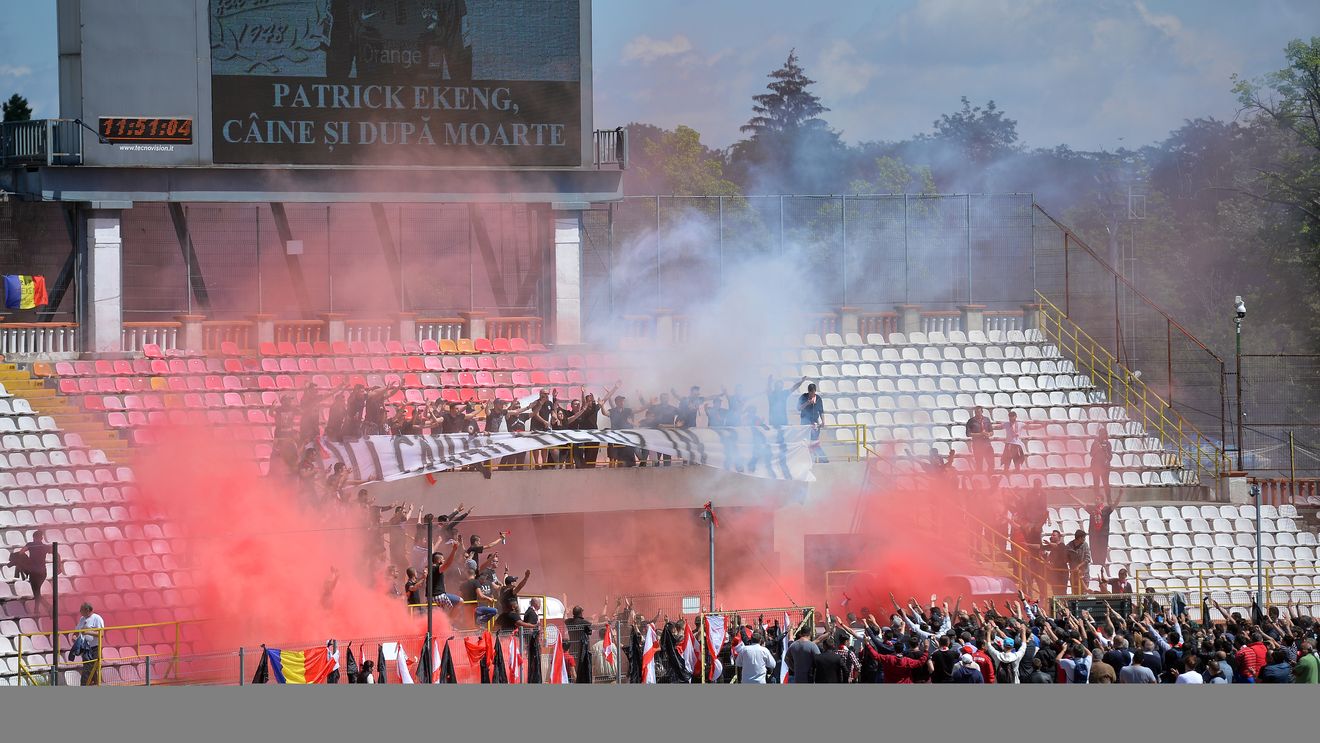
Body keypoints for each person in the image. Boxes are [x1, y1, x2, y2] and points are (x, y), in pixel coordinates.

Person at [7, 529, 51, 606]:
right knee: (37, 592)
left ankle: (49, 607)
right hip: (43, 572)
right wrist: (59, 566)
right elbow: (56, 553)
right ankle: (37, 609)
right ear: (42, 538)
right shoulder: (45, 547)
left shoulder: (30, 545)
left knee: (37, 593)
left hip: (34, 572)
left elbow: (21, 553)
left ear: (33, 538)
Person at [72, 601, 105, 686]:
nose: (80, 612)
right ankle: (96, 684)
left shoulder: (97, 618)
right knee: (91, 668)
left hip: (94, 648)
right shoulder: (82, 619)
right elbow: (77, 630)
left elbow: (101, 634)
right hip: (85, 648)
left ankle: (83, 685)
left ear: (87, 610)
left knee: (88, 668)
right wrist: (74, 636)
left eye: (81, 610)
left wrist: (88, 632)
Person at [798, 383, 828, 464]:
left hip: (815, 423)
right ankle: (805, 459)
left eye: (813, 392)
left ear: (815, 391)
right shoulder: (803, 397)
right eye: (810, 392)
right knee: (805, 441)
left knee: (814, 441)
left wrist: (823, 421)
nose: (812, 394)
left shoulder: (818, 398)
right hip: (805, 423)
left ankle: (822, 458)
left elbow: (821, 411)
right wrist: (807, 403)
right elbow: (798, 408)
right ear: (808, 391)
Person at [964, 406, 994, 473]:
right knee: (979, 464)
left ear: (982, 412)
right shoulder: (971, 421)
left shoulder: (987, 419)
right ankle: (980, 479)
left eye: (979, 412)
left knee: (991, 463)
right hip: (977, 445)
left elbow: (991, 431)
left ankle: (991, 478)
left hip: (987, 444)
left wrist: (989, 434)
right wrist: (980, 434)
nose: (977, 413)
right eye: (976, 412)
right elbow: (968, 434)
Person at [1090, 427, 1114, 498]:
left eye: (1105, 434)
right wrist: (1098, 449)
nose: (1104, 436)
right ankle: (1097, 499)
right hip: (1095, 466)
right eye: (1103, 434)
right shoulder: (1095, 443)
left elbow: (1110, 457)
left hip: (1105, 466)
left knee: (1106, 483)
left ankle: (1109, 499)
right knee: (1096, 483)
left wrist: (1106, 452)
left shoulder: (1108, 444)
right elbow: (1091, 454)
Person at [1065, 529, 1092, 594]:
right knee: (1075, 593)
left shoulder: (1085, 545)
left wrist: (1079, 566)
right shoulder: (1069, 546)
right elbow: (1065, 558)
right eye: (1083, 537)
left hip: (1084, 573)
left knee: (1084, 593)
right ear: (1079, 538)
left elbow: (1088, 559)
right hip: (1074, 574)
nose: (1084, 539)